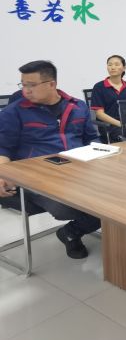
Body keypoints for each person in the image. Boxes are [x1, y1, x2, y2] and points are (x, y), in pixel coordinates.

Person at [0, 60, 101, 259]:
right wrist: (3, 174)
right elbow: (3, 148)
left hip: (79, 172)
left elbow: (92, 139)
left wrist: (101, 154)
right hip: (37, 179)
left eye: (31, 85)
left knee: (117, 201)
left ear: (51, 84)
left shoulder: (77, 107)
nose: (25, 90)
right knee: (71, 208)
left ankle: (70, 232)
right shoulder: (14, 112)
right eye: (23, 84)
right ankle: (74, 230)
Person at [90, 54, 126, 142]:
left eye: (117, 64)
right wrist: (121, 124)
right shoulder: (99, 87)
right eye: (110, 65)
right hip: (109, 125)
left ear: (124, 68)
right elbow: (99, 114)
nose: (113, 67)